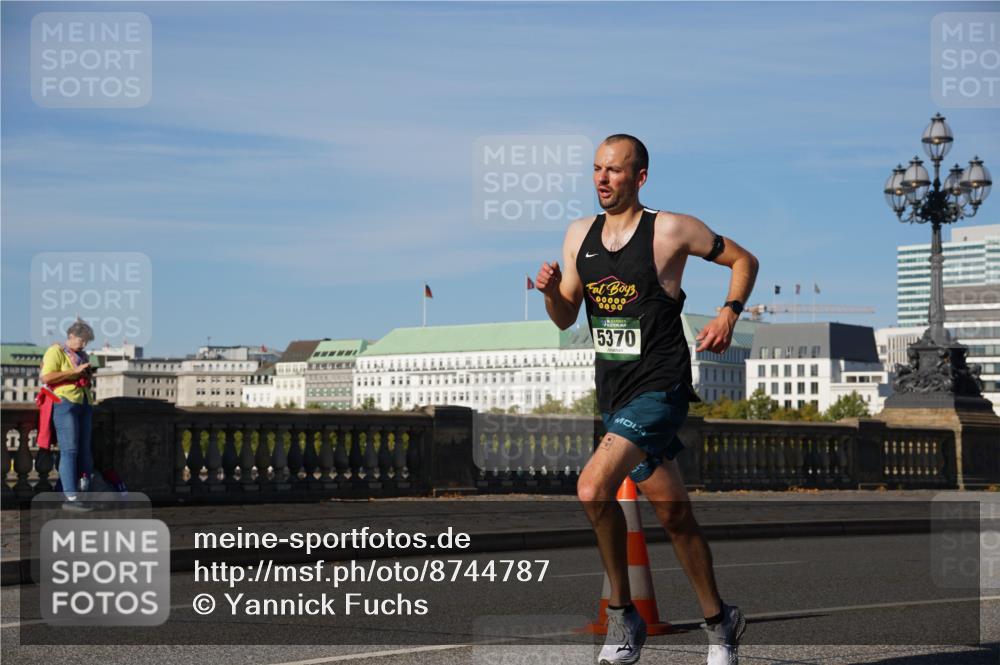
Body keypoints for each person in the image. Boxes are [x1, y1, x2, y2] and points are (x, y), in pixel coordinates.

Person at [535, 134, 759, 665]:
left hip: (661, 388)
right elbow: (566, 316)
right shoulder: (579, 235)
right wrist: (549, 292)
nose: (602, 178)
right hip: (614, 394)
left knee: (592, 488)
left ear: (639, 177)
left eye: (614, 170)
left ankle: (622, 614)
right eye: (597, 169)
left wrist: (729, 313)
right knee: (674, 517)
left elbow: (744, 260)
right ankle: (721, 620)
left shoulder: (670, 230)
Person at [39, 318, 97, 512]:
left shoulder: (82, 355)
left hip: (84, 402)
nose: (84, 344)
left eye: (87, 341)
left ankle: (79, 492)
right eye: (82, 340)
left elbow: (81, 379)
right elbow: (46, 376)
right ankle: (70, 498)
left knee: (84, 451)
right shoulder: (56, 351)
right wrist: (74, 371)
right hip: (65, 403)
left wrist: (86, 375)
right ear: (71, 336)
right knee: (69, 450)